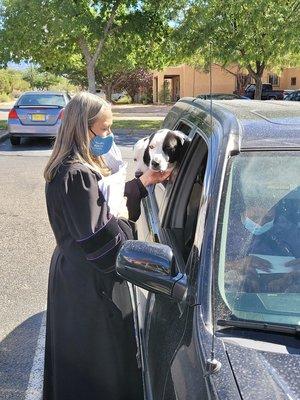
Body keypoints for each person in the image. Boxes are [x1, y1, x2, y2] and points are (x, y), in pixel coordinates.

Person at [43, 92, 170, 400]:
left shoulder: (71, 168)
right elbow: (100, 243)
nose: (109, 136)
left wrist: (143, 183)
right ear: (81, 128)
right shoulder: (77, 174)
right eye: (104, 129)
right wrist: (125, 219)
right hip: (90, 287)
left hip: (73, 274)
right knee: (97, 368)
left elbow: (96, 207)